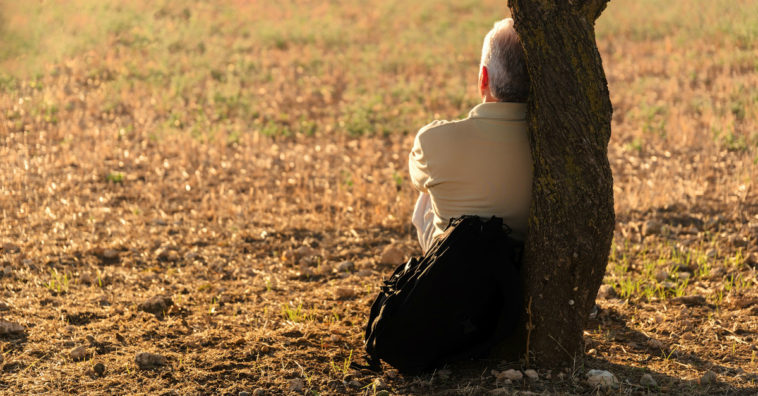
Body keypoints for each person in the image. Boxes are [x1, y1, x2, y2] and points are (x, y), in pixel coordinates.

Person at [409, 18, 532, 252]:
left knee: (428, 190)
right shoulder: (554, 146)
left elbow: (417, 180)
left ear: (483, 78)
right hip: (518, 272)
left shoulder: (432, 140)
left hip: (454, 270)